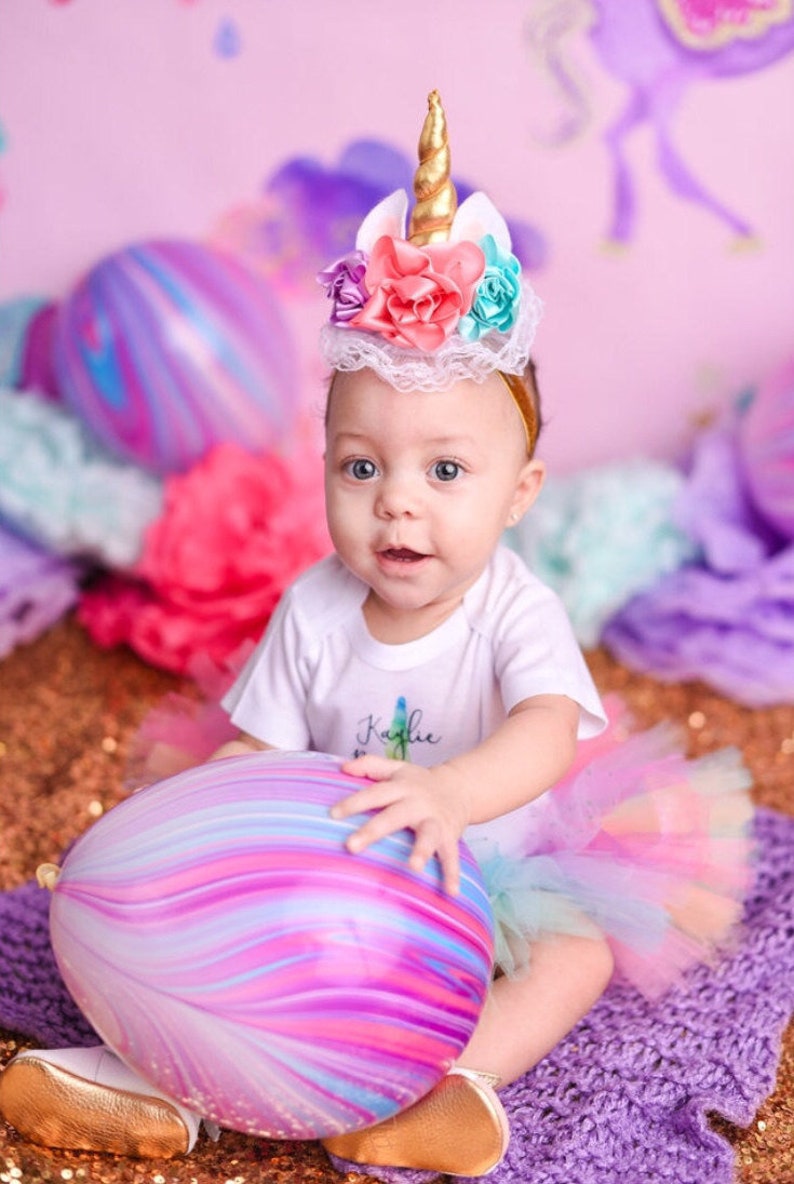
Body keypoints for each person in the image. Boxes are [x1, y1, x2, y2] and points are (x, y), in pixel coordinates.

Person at [0, 91, 753, 1179]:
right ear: (324, 470)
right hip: (332, 870)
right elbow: (257, 748)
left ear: (516, 492)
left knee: (573, 952)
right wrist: (174, 840)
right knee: (224, 954)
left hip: (486, 855)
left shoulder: (512, 607)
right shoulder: (311, 607)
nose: (398, 504)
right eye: (362, 467)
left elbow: (546, 730)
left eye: (445, 471)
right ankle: (159, 1084)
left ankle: (453, 1081)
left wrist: (451, 795)